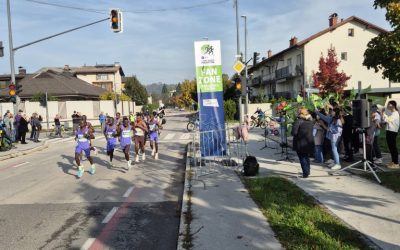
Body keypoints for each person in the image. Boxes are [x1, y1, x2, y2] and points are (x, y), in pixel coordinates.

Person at [292, 108, 314, 178]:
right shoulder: (311, 121)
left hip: (300, 143)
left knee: (302, 158)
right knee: (306, 157)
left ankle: (305, 173)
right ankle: (308, 171)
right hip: (308, 142)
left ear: (300, 114)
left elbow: (294, 132)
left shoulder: (298, 121)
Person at [382, 100, 400, 169]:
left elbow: (388, 120)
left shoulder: (395, 113)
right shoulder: (392, 113)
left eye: (389, 104)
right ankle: (393, 161)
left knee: (393, 147)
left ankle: (396, 163)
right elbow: (386, 120)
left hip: (392, 132)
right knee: (391, 147)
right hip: (389, 131)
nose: (387, 106)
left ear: (392, 105)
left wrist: (383, 113)